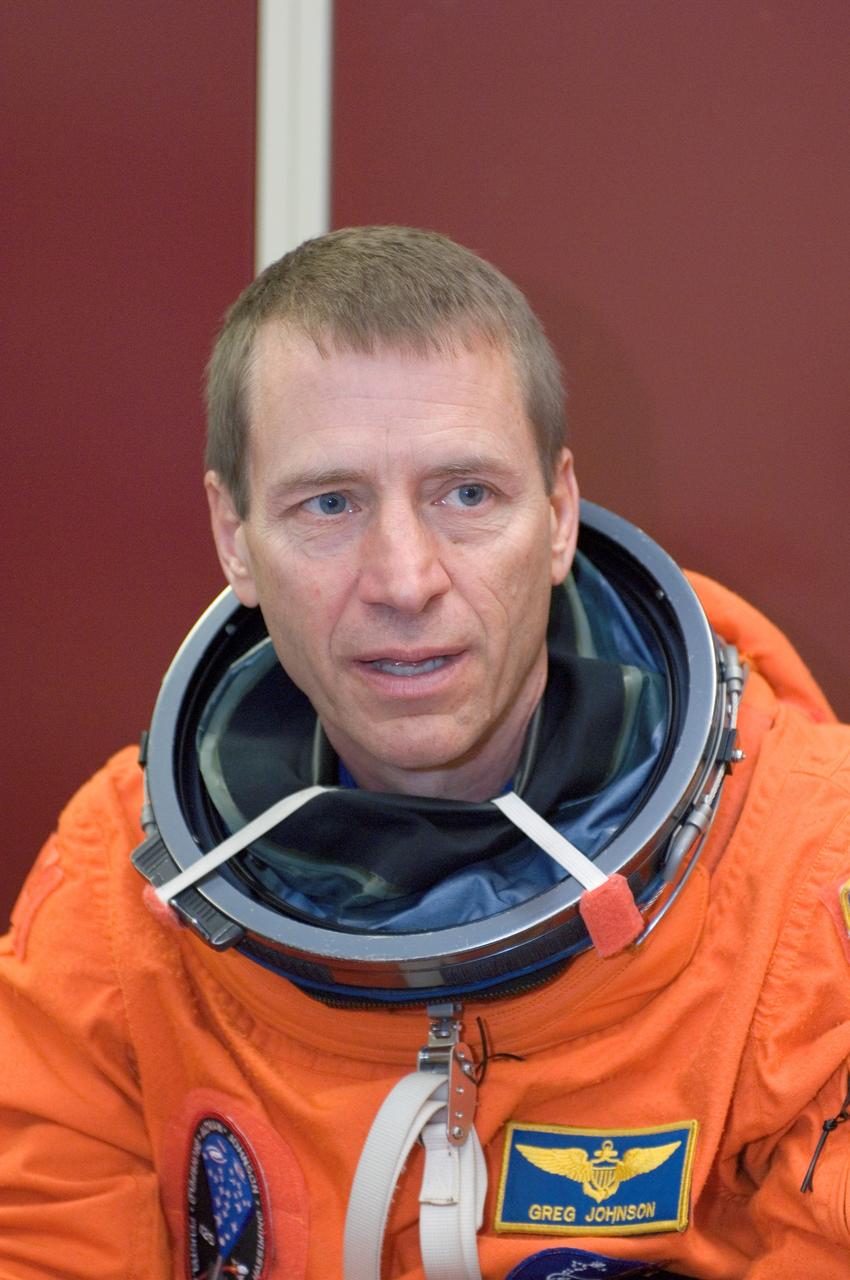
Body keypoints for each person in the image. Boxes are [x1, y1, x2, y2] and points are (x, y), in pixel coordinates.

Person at [1, 227, 849, 1280]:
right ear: (234, 538)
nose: (404, 579)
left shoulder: (807, 881)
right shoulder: (117, 890)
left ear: (558, 513)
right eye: (330, 502)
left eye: (466, 494)